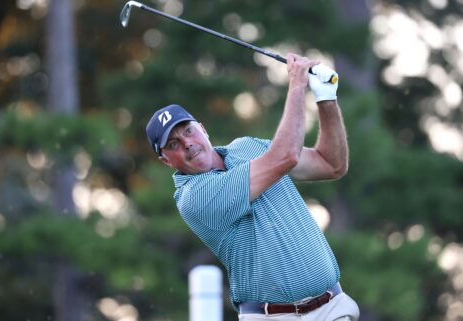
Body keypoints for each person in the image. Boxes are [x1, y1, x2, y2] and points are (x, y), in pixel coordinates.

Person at [145, 53, 360, 321]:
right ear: (166, 160)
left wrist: (326, 98)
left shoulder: (248, 146)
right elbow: (285, 157)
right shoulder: (193, 197)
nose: (186, 143)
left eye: (187, 131)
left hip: (332, 310)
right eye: (173, 144)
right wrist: (296, 85)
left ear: (202, 128)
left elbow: (331, 164)